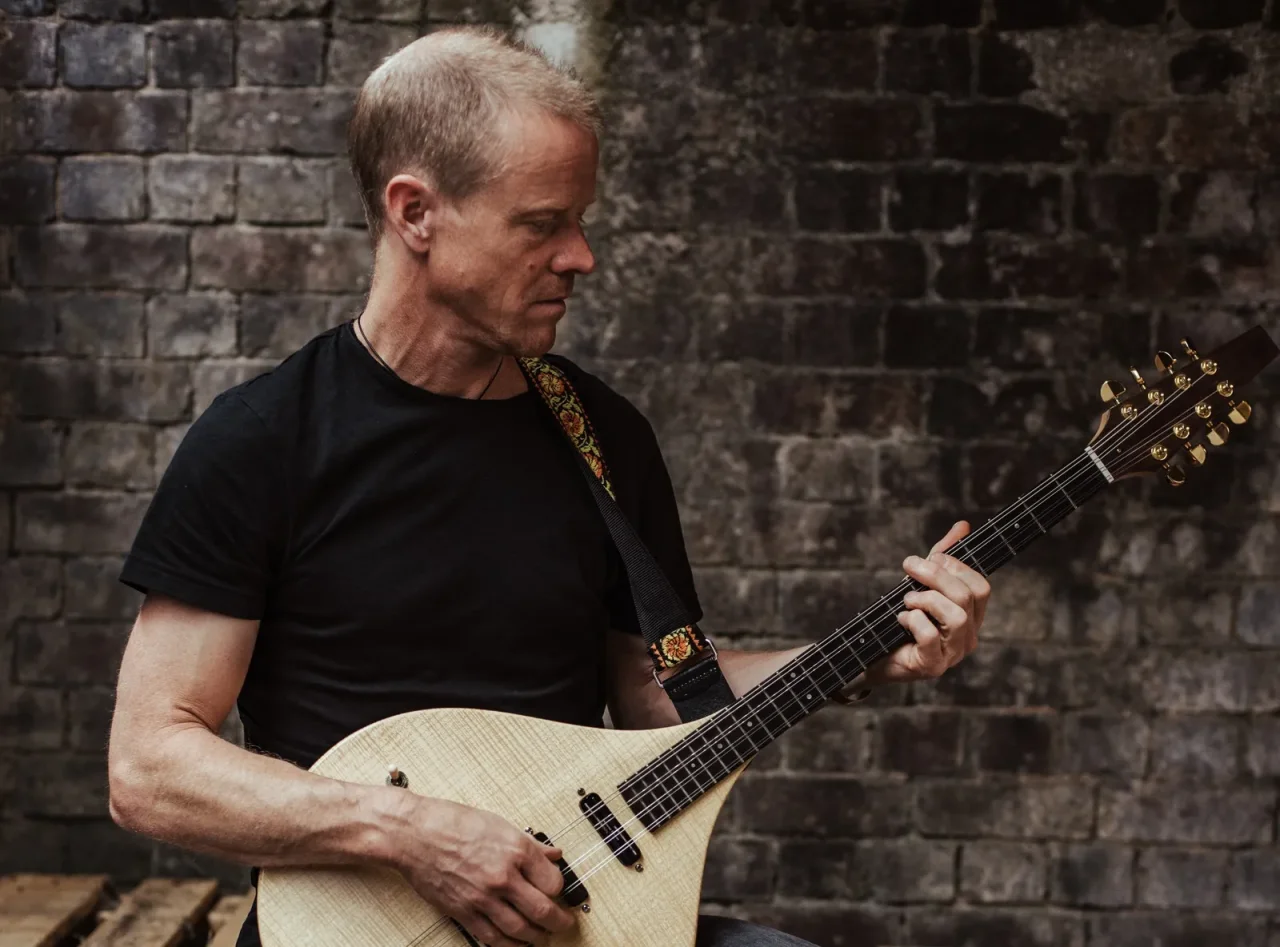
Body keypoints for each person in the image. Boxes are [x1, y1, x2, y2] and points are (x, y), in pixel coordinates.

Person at [106, 25, 991, 947]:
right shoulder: (261, 442)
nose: (581, 256)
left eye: (581, 220)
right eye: (542, 224)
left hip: (560, 922)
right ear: (416, 213)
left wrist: (869, 652)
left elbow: (661, 698)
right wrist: (412, 833)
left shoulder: (602, 437)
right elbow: (149, 767)